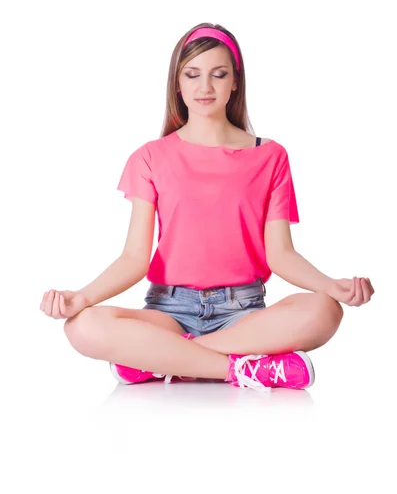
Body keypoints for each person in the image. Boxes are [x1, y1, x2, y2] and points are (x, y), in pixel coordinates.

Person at [40, 22, 375, 391]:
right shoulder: (150, 157)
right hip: (170, 311)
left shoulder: (270, 156)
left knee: (325, 310)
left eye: (219, 75)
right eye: (193, 75)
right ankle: (243, 370)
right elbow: (135, 257)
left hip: (243, 314)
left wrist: (334, 286)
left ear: (235, 82)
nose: (205, 87)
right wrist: (81, 297)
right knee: (83, 326)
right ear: (178, 84)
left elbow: (280, 254)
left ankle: (160, 359)